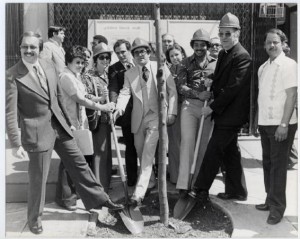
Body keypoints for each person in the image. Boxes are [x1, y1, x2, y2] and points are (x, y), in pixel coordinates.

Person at [5, 31, 123, 235]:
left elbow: (58, 98)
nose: (29, 50)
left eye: (33, 47)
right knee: (38, 178)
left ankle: (101, 200)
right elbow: (9, 112)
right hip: (37, 133)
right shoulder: (11, 75)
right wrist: (15, 144)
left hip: (60, 126)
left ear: (40, 49)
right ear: (20, 48)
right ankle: (34, 219)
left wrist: (68, 124)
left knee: (79, 164)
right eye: (25, 47)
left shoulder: (49, 66)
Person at [189, 12, 252, 203]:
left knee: (214, 150)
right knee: (230, 152)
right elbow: (223, 79)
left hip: (231, 115)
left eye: (228, 33)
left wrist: (212, 107)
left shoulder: (242, 56)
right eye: (222, 33)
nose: (224, 37)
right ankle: (238, 191)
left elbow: (233, 88)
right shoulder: (225, 53)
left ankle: (200, 189)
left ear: (237, 34)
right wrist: (212, 80)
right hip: (225, 114)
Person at [113, 37, 178, 206]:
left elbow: (172, 92)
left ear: (149, 53)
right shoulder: (130, 73)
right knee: (142, 153)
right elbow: (125, 92)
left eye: (143, 51)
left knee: (148, 153)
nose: (140, 55)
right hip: (138, 119)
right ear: (133, 56)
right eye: (136, 52)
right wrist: (118, 108)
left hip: (156, 117)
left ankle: (138, 194)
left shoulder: (161, 68)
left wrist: (172, 112)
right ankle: (151, 181)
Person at [55, 45, 114, 209]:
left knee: (73, 161)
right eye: (77, 62)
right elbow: (79, 99)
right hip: (69, 124)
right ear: (68, 62)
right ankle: (67, 199)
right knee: (69, 162)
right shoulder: (66, 76)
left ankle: (68, 196)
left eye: (82, 62)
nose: (80, 65)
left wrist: (99, 98)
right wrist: (101, 107)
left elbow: (85, 95)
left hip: (78, 124)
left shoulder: (75, 75)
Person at [256, 28, 297, 225]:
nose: (272, 46)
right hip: (265, 123)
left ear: (283, 44)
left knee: (278, 167)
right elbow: (261, 97)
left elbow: (292, 96)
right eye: (268, 43)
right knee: (268, 164)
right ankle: (269, 199)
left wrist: (284, 124)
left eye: (275, 42)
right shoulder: (263, 67)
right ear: (264, 46)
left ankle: (278, 208)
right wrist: (259, 122)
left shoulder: (289, 65)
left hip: (281, 124)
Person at [175, 29, 216, 196]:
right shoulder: (184, 63)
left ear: (207, 46)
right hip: (190, 107)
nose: (199, 48)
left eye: (203, 45)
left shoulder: (216, 63)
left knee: (204, 147)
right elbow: (181, 86)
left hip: (208, 108)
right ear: (192, 45)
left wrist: (211, 92)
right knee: (188, 143)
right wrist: (198, 94)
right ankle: (184, 184)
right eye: (196, 45)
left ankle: (198, 185)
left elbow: (222, 86)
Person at [82, 43, 113, 192]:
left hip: (108, 118)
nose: (105, 60)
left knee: (106, 151)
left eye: (107, 57)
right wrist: (99, 99)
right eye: (102, 57)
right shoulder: (89, 76)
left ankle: (106, 184)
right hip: (97, 118)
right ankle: (99, 187)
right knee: (99, 152)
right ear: (95, 59)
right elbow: (85, 96)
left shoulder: (108, 74)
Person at [108, 39, 138, 187]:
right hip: (126, 112)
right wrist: (113, 104)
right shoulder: (114, 68)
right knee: (130, 145)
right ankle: (132, 179)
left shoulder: (140, 62)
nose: (121, 55)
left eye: (123, 52)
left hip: (144, 111)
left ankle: (153, 176)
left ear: (129, 50)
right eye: (118, 53)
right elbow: (113, 88)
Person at [164, 43, 186, 184]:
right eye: (171, 56)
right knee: (173, 143)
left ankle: (185, 175)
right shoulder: (167, 71)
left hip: (186, 106)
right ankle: (175, 175)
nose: (174, 58)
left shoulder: (188, 68)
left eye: (177, 54)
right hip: (173, 108)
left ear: (182, 54)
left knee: (186, 142)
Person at [282, 41, 298, 170]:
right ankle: (292, 158)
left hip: (291, 105)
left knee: (288, 131)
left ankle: (291, 158)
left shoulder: (290, 66)